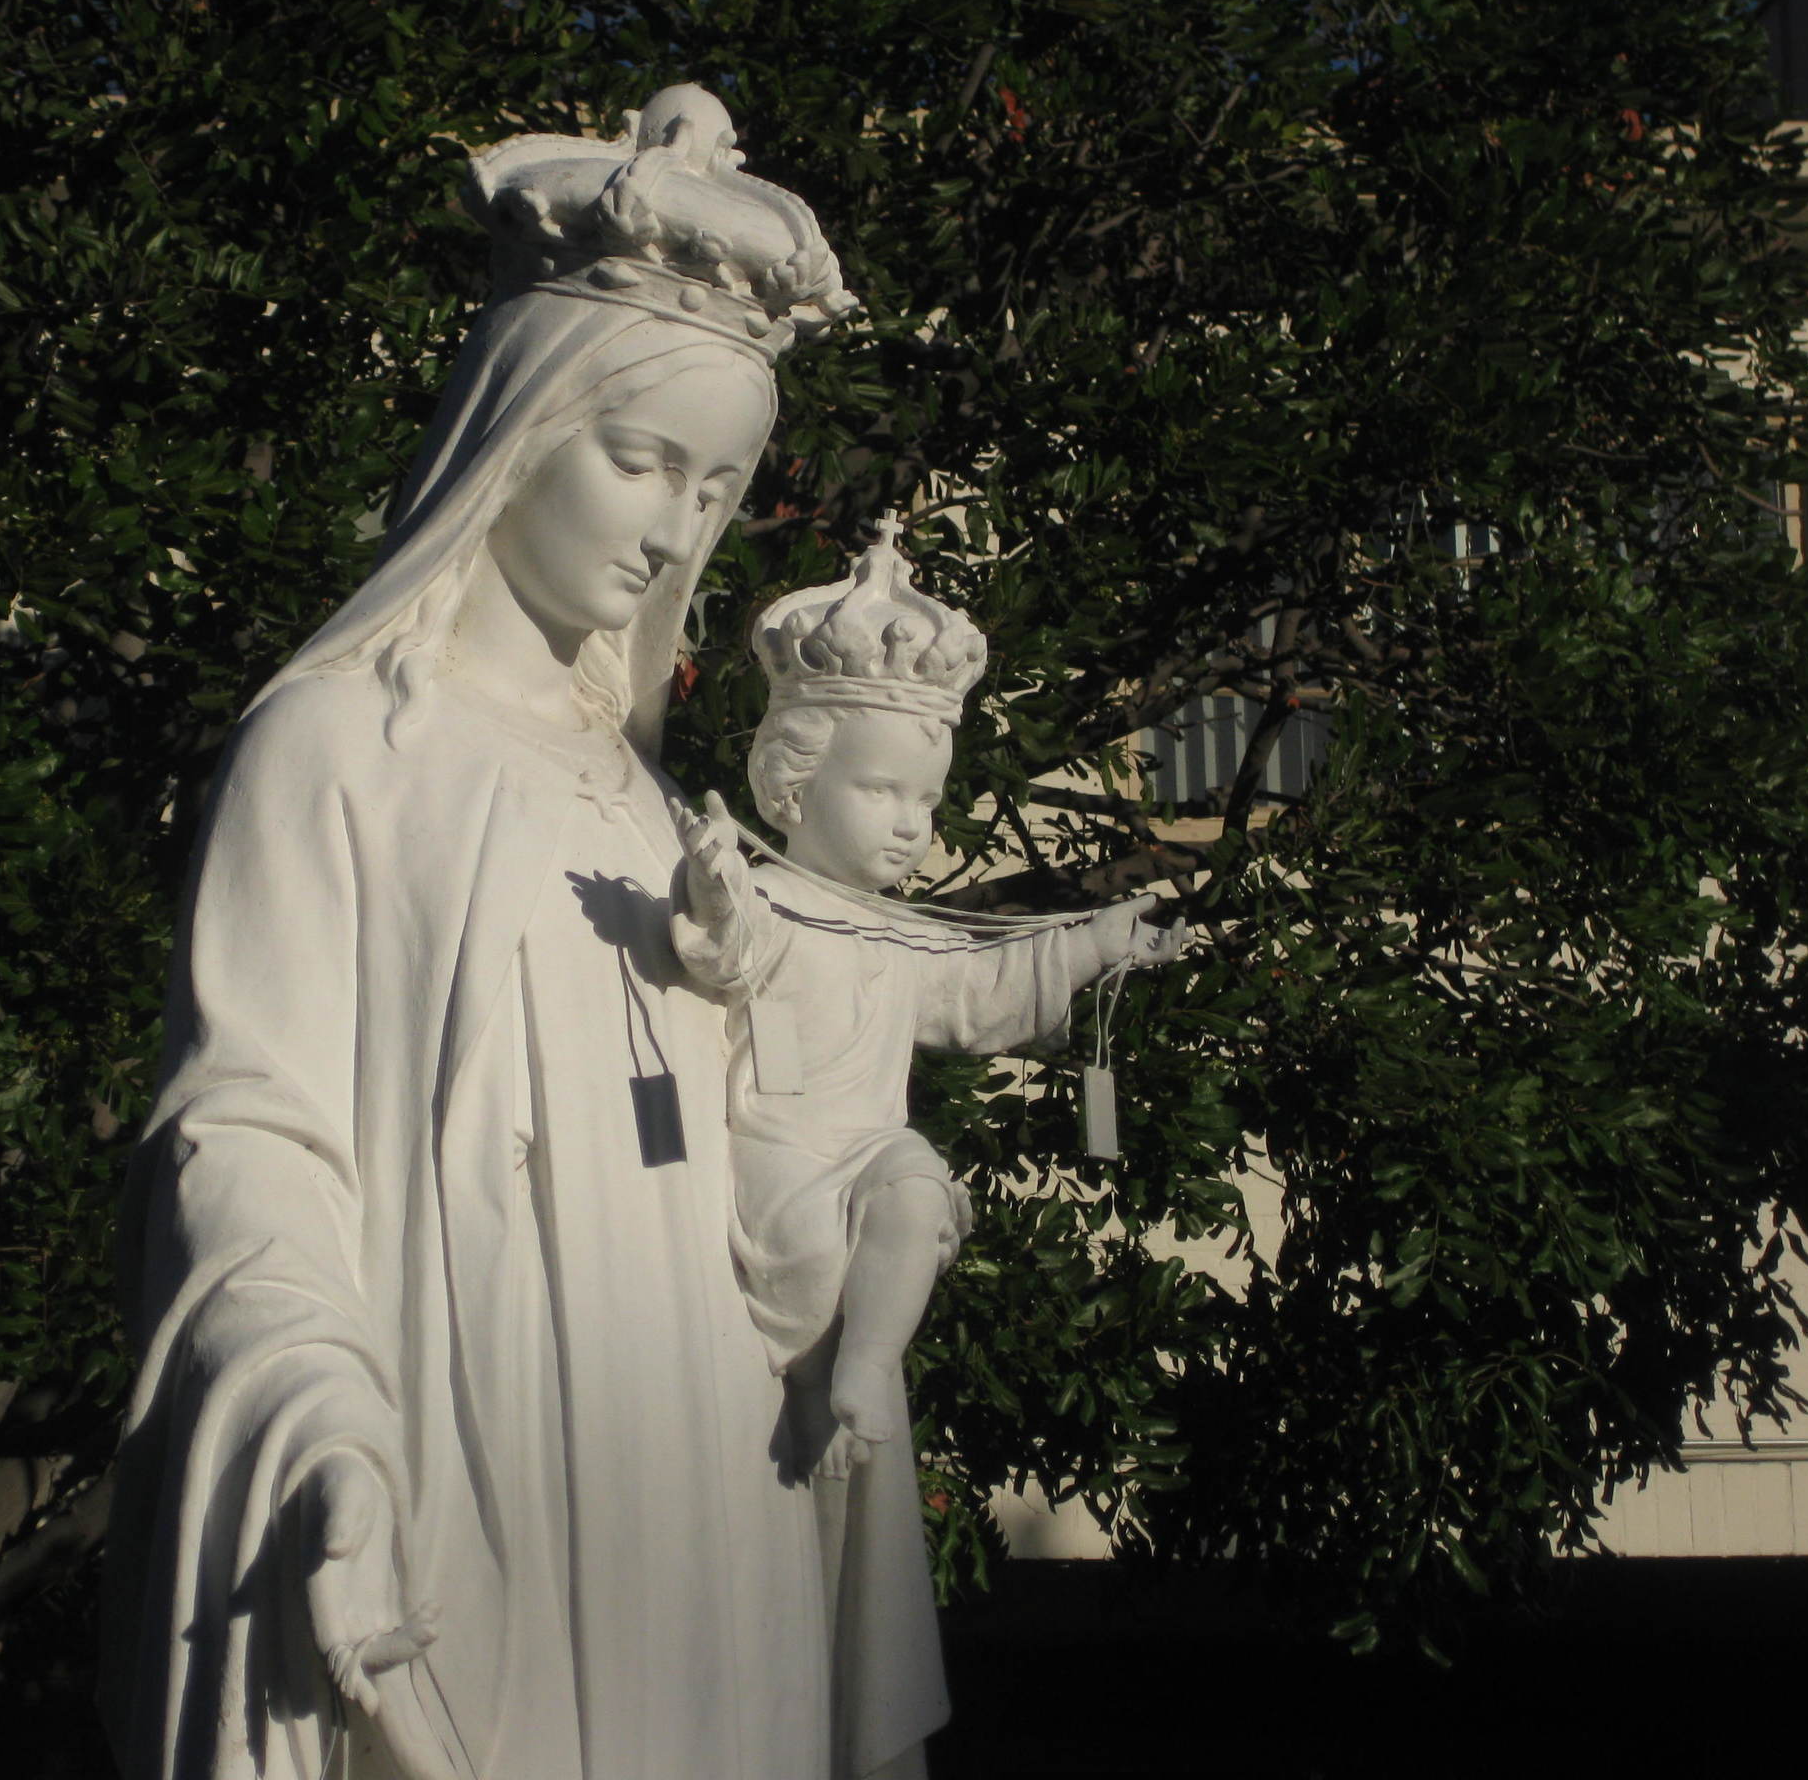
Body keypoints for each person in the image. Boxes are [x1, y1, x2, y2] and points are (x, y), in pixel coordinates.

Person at [98, 86, 868, 1780]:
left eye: (721, 487)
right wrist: (319, 1426)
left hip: (696, 1481)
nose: (674, 527)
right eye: (641, 458)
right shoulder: (341, 747)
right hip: (471, 1444)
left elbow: (749, 1191)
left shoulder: (657, 809)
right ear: (521, 422)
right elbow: (247, 1131)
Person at [668, 523, 1190, 1779]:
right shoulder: (778, 905)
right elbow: (717, 958)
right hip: (773, 1192)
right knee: (888, 1181)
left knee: (914, 1175)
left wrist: (1103, 940)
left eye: (926, 801)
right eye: (882, 794)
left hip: (860, 1204)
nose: (911, 828)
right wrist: (720, 897)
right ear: (793, 785)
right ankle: (855, 1367)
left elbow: (991, 992)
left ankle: (867, 1367)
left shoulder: (899, 941)